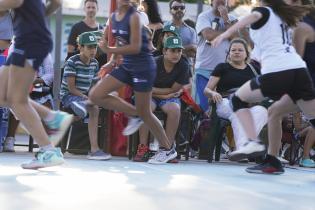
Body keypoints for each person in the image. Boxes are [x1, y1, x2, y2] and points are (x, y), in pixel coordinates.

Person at [211, 0, 315, 174]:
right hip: (300, 72)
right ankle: (273, 162)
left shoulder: (266, 12)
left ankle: (251, 142)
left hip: (281, 71)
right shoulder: (284, 17)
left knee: (237, 99)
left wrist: (223, 34)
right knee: (278, 112)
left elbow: (249, 18)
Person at [89, 0, 177, 164]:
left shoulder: (135, 17)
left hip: (143, 67)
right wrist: (111, 61)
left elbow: (135, 47)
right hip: (126, 66)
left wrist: (110, 50)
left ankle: (168, 149)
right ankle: (134, 114)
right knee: (95, 96)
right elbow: (119, 41)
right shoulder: (114, 17)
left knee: (146, 113)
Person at [0, 0, 73, 169]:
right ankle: (52, 117)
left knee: (17, 100)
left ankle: (49, 151)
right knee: (3, 95)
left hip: (30, 41)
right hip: (25, 40)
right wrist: (39, 16)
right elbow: (56, 2)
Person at [204, 38, 267, 156]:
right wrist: (213, 93)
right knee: (238, 111)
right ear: (229, 53)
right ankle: (243, 146)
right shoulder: (222, 67)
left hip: (250, 103)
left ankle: (245, 147)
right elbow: (206, 90)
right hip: (225, 102)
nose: (236, 52)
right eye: (233, 50)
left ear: (246, 54)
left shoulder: (254, 69)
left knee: (262, 111)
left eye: (240, 50)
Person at [135, 36, 190, 162]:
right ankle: (143, 147)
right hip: (149, 95)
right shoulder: (153, 63)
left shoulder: (183, 65)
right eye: (172, 50)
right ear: (165, 51)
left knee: (175, 109)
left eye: (179, 51)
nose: (176, 54)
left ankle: (167, 149)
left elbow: (174, 89)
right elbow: (145, 88)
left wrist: (166, 94)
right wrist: (165, 95)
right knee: (146, 109)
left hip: (168, 96)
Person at [60, 32, 111, 160]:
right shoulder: (72, 61)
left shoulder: (94, 63)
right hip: (69, 96)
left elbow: (94, 85)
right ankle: (94, 149)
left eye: (94, 47)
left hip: (83, 97)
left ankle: (78, 114)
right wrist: (87, 98)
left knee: (94, 107)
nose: (93, 50)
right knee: (92, 108)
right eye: (89, 47)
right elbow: (71, 88)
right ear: (80, 47)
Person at [3, 53, 55, 152]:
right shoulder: (16, 47)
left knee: (45, 104)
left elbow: (50, 75)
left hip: (38, 86)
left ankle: (46, 144)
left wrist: (37, 81)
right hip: (19, 85)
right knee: (16, 103)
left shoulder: (45, 52)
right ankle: (10, 139)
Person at [194, 0, 237, 112]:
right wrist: (228, 31)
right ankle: (201, 128)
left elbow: (237, 39)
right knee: (205, 108)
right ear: (212, 1)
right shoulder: (204, 16)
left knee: (223, 108)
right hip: (204, 70)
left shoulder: (232, 18)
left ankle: (214, 129)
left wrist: (225, 18)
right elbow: (209, 35)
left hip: (225, 71)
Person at [67, 0, 107, 65]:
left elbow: (104, 50)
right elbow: (70, 51)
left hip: (97, 67)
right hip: (80, 66)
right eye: (88, 7)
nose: (91, 10)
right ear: (84, 9)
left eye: (93, 7)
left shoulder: (102, 29)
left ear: (97, 9)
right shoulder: (76, 27)